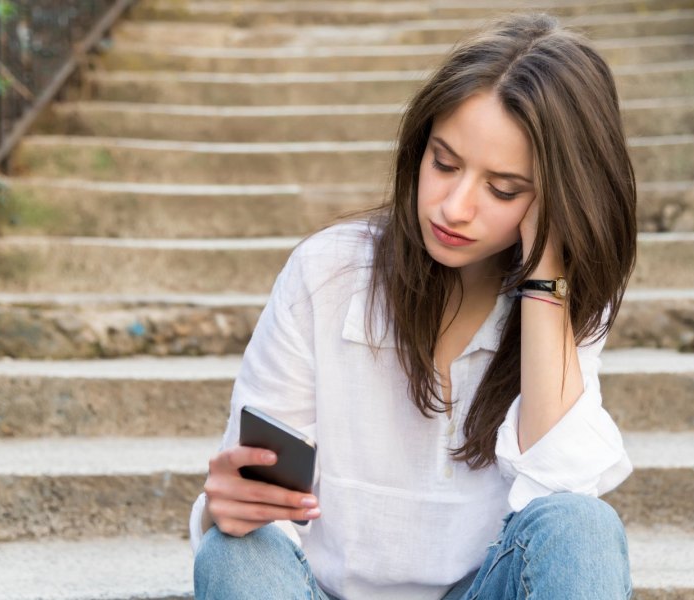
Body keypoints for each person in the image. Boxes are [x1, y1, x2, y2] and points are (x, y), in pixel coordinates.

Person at [190, 11, 637, 600]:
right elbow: (265, 505)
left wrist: (545, 278)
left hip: (484, 589)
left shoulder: (556, 304)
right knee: (235, 550)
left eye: (502, 189)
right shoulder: (327, 274)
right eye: (443, 163)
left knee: (582, 527)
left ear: (558, 199)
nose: (454, 206)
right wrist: (232, 501)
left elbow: (562, 488)